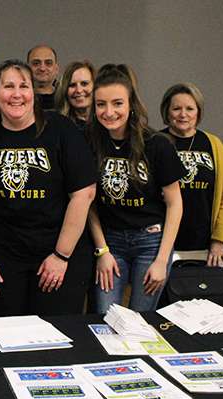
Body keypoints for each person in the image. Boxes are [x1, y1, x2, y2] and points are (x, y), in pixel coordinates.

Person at [0, 59, 96, 317]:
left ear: (33, 93)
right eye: (8, 86)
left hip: (58, 253)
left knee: (54, 338)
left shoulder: (60, 129)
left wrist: (61, 255)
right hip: (3, 257)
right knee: (4, 336)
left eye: (24, 86)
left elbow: (83, 194)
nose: (16, 94)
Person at [86, 64, 185, 313]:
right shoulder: (88, 143)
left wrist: (163, 260)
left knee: (142, 321)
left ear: (131, 105)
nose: (109, 112)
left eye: (117, 103)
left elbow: (175, 204)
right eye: (101, 104)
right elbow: (88, 203)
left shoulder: (157, 144)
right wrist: (102, 251)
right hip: (110, 242)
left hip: (150, 242)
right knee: (105, 317)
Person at [160, 83, 223, 265]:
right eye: (176, 108)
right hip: (161, 243)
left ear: (198, 112)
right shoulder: (155, 142)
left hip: (204, 243)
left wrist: (219, 240)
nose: (183, 114)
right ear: (167, 112)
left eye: (189, 108)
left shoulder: (214, 144)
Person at [55, 60, 95, 130]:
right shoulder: (56, 125)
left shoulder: (107, 123)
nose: (78, 90)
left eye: (84, 84)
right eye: (72, 85)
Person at [27, 45, 59, 110]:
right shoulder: (19, 99)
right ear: (27, 68)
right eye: (36, 63)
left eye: (48, 63)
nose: (42, 68)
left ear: (56, 69)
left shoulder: (66, 99)